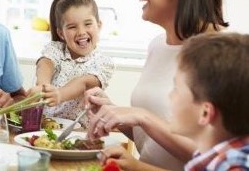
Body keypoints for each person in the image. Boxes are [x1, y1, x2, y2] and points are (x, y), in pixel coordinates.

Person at [85, 0, 229, 170]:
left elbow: (214, 157)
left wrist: (142, 116)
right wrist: (114, 114)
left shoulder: (221, 57)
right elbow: (152, 142)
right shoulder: (158, 45)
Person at [99, 32, 249, 171]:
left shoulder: (231, 166)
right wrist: (136, 166)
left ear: (205, 113)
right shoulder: (217, 155)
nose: (170, 96)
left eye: (176, 89)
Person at [28, 0, 115, 127]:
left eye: (87, 24)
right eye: (72, 27)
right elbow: (45, 64)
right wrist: (42, 87)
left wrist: (59, 94)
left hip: (79, 133)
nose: (81, 32)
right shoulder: (56, 49)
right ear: (61, 33)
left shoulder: (103, 62)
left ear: (99, 26)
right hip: (44, 129)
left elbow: (84, 82)